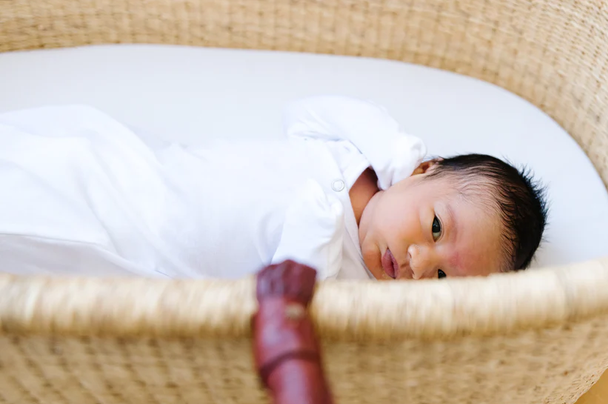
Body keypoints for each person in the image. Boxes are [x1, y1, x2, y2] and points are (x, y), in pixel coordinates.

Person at [0, 96, 547, 280]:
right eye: (434, 228)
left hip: (138, 259)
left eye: (443, 277)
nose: (416, 261)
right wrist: (393, 152)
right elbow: (303, 111)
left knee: (26, 234)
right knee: (47, 160)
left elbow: (284, 302)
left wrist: (314, 236)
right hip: (139, 176)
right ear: (425, 169)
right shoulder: (351, 156)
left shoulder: (350, 287)